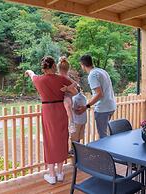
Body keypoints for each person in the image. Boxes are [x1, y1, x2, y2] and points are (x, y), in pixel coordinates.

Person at [25, 56, 77, 185]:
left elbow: (32, 75)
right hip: (61, 110)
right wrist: (66, 90)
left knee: (50, 141)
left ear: (43, 68)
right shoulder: (61, 78)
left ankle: (52, 175)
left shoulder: (39, 80)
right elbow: (75, 88)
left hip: (48, 111)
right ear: (54, 66)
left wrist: (29, 71)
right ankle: (60, 173)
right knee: (61, 139)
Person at [76, 54, 116, 138]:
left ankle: (105, 151)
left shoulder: (92, 75)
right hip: (111, 106)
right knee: (106, 135)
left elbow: (99, 94)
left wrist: (86, 106)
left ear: (82, 65)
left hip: (103, 109)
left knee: (103, 137)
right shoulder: (102, 71)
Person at [57, 56, 77, 133]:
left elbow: (75, 84)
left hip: (67, 95)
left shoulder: (66, 77)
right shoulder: (58, 77)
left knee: (67, 104)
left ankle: (72, 122)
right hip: (62, 96)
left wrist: (67, 88)